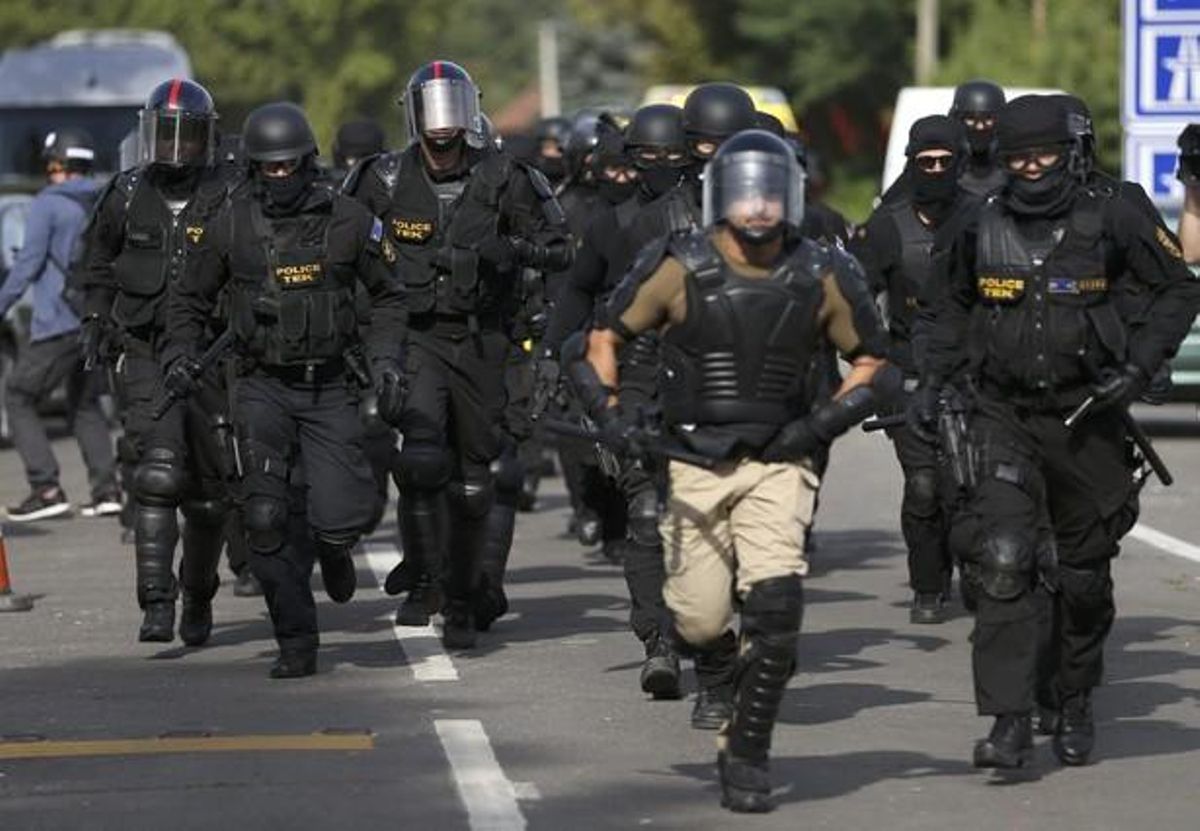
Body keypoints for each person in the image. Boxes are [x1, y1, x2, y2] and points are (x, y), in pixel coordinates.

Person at [580, 129, 890, 811]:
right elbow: (604, 337)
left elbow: (872, 360)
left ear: (793, 197)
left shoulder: (821, 271)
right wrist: (611, 413)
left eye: (770, 193)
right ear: (721, 197)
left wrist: (821, 424)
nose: (758, 207)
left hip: (782, 458)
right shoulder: (679, 264)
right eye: (745, 193)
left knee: (777, 607)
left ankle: (747, 752)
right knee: (696, 619)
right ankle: (716, 664)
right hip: (694, 461)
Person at [917, 95, 1200, 769]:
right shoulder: (977, 223)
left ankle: (1072, 698)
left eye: (1043, 153)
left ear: (1071, 154)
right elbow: (945, 309)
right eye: (1019, 157)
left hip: (1090, 419)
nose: (1032, 167)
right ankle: (1009, 720)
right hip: (1002, 415)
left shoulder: (1115, 213)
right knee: (1005, 559)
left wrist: (1136, 368)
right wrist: (931, 383)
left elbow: (1178, 289)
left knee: (1081, 579)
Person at [167, 101, 406, 677]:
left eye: (289, 166)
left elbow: (390, 297)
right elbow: (187, 301)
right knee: (267, 519)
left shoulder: (350, 220)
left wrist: (386, 362)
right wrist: (179, 353)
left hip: (330, 387)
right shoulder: (230, 224)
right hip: (260, 388)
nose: (280, 177)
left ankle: (334, 546)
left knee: (340, 515)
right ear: (254, 167)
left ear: (308, 161)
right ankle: (296, 641)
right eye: (268, 168)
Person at [343, 60, 571, 647]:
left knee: (477, 480)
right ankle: (426, 580)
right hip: (414, 333)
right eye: (431, 113)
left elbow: (560, 248)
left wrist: (509, 248)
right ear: (414, 116)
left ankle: (466, 595)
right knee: (420, 461)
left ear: (468, 113)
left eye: (451, 112)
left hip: (481, 340)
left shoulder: (506, 177)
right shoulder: (382, 179)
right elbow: (339, 248)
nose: (441, 132)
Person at [80, 78, 242, 644]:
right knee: (158, 473)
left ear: (208, 138)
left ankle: (198, 593)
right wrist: (97, 320)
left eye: (187, 137)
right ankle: (156, 601)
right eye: (164, 135)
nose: (176, 148)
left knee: (209, 494)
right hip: (145, 352)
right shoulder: (124, 194)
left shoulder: (231, 192)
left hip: (212, 357)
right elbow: (96, 266)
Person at [850, 115, 974, 623]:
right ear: (912, 164)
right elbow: (855, 300)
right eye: (927, 162)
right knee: (924, 485)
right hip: (909, 373)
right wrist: (875, 363)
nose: (937, 170)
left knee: (966, 484)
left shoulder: (982, 218)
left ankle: (982, 575)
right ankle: (928, 583)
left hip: (969, 373)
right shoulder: (888, 226)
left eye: (947, 162)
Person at [0, 128, 119, 522]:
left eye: (52, 165)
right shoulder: (106, 200)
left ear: (60, 167)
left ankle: (45, 487)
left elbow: (27, 266)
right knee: (84, 404)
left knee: (18, 396)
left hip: (58, 324)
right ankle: (107, 491)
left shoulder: (47, 205)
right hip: (96, 323)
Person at [949, 79, 1007, 197]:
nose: (980, 127)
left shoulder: (1015, 173)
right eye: (971, 119)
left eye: (988, 119)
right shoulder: (941, 169)